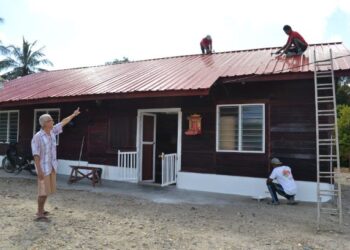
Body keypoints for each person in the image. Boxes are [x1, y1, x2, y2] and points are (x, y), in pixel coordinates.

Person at [31, 108, 81, 222]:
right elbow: (36, 155)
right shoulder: (38, 136)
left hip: (52, 166)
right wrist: (39, 171)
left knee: (47, 190)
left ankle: (42, 210)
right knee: (42, 192)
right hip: (43, 168)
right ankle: (39, 213)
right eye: (50, 120)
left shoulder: (53, 131)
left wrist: (73, 114)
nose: (53, 122)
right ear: (44, 123)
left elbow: (63, 122)